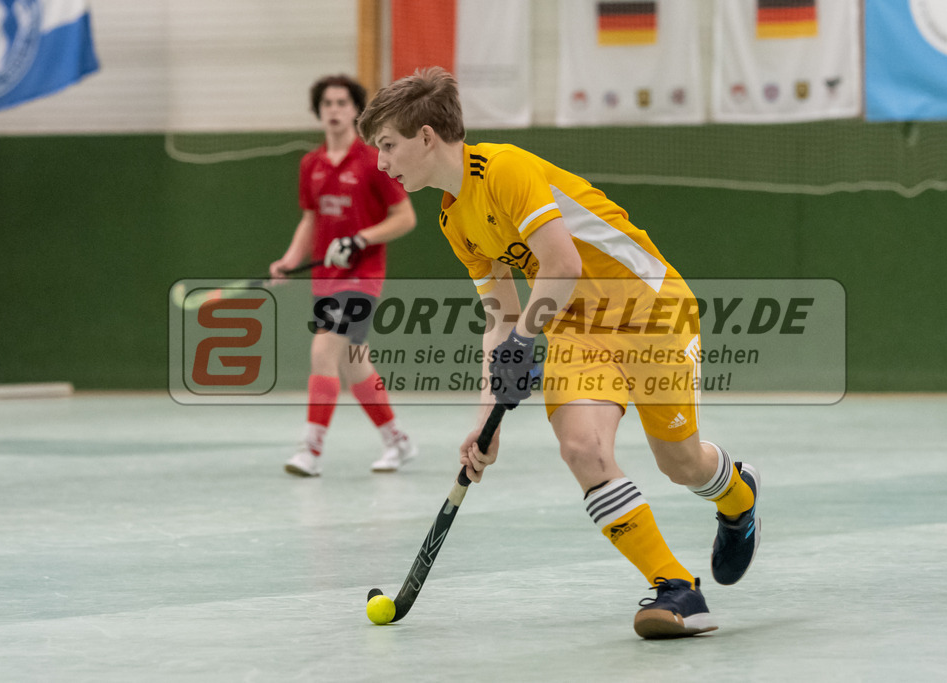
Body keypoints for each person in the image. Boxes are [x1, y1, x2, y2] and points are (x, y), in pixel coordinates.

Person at [356, 67, 761, 639]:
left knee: (682, 462)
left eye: (388, 146)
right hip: (574, 328)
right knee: (581, 449)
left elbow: (562, 264)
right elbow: (499, 317)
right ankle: (676, 588)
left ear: (426, 137)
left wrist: (524, 339)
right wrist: (484, 423)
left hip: (651, 310)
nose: (381, 163)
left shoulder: (506, 170)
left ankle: (738, 497)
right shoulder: (453, 217)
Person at [271, 74, 418, 477]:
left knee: (323, 351)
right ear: (319, 112)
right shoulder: (311, 165)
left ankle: (311, 449)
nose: (334, 109)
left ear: (355, 111)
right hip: (325, 278)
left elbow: (405, 217)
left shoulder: (373, 161)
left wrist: (360, 239)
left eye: (342, 103)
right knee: (355, 362)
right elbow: (310, 220)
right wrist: (288, 259)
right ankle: (397, 441)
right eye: (327, 103)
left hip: (363, 275)